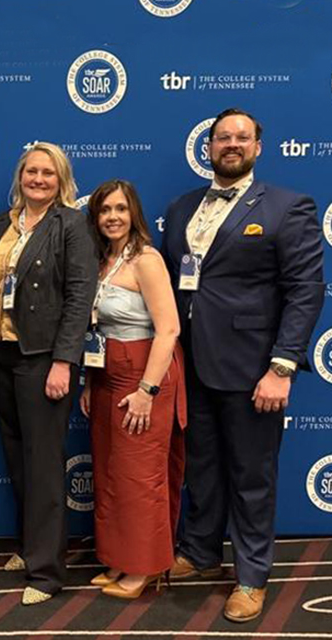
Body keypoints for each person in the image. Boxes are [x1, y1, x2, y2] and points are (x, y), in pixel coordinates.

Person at [162, 108, 324, 622]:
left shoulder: (286, 207)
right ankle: (201, 552)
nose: (231, 144)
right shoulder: (183, 207)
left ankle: (252, 575)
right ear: (208, 147)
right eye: (222, 137)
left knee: (252, 475)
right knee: (202, 468)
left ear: (257, 147)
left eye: (241, 137)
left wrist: (281, 367)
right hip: (192, 365)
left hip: (254, 369)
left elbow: (305, 290)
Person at [0, 143, 97, 605]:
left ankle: (46, 571)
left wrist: (65, 361)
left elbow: (81, 295)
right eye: (31, 171)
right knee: (18, 456)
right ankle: (30, 545)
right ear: (19, 175)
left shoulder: (72, 224)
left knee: (43, 464)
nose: (38, 179)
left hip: (43, 358)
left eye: (48, 173)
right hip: (0, 354)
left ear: (61, 180)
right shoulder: (2, 223)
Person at [79, 179, 186, 599]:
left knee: (139, 475)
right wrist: (90, 383)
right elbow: (96, 330)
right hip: (106, 374)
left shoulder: (147, 259)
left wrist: (147, 390)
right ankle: (118, 558)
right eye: (105, 210)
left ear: (134, 213)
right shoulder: (102, 261)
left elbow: (170, 329)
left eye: (121, 209)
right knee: (110, 473)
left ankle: (145, 568)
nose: (112, 217)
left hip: (144, 374)